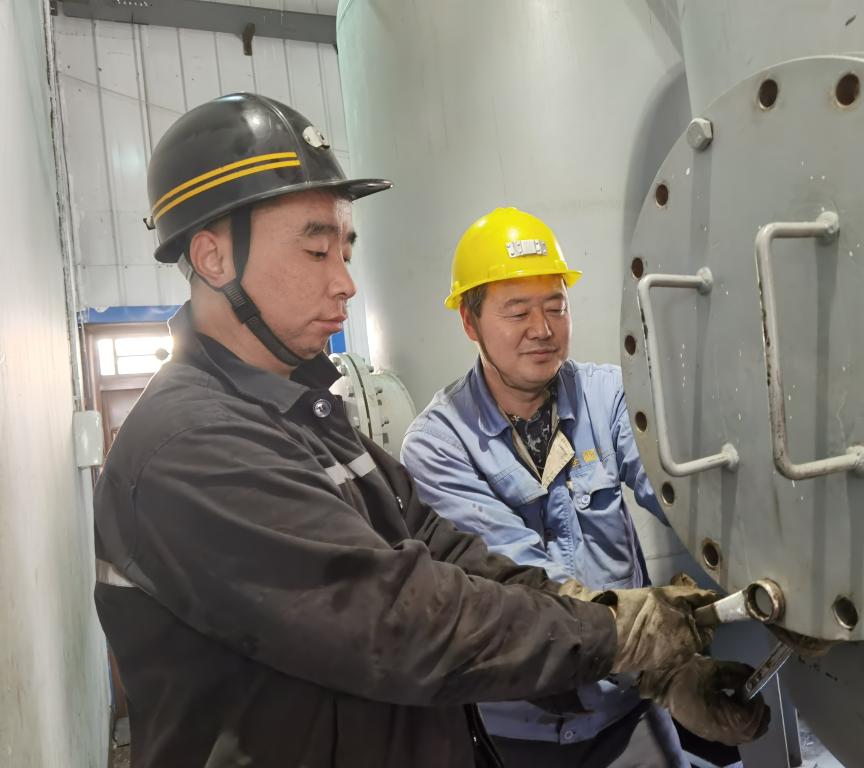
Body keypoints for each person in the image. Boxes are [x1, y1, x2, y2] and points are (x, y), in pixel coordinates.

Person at [92, 93, 769, 768]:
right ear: (214, 258)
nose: (346, 284)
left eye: (346, 252)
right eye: (317, 250)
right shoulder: (191, 447)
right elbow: (402, 622)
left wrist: (634, 632)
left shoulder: (309, 420)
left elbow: (453, 554)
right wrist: (618, 633)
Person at [401, 208, 720, 767]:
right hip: (517, 728)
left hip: (627, 714)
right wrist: (657, 655)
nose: (543, 329)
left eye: (556, 306)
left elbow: (680, 492)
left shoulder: (607, 396)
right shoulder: (438, 444)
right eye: (518, 311)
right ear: (470, 322)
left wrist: (764, 567)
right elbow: (519, 580)